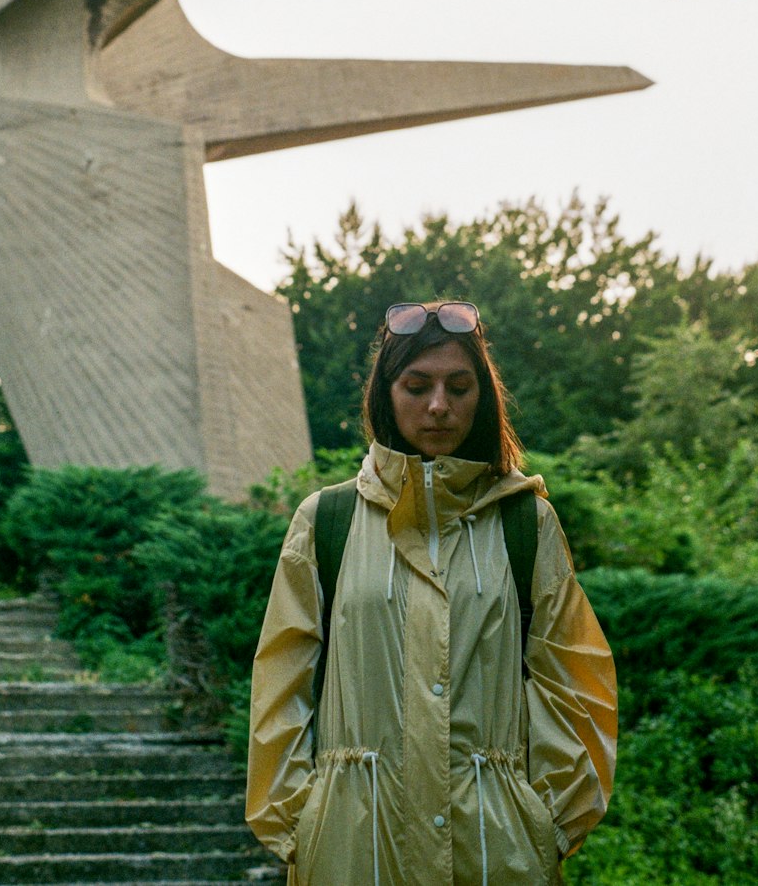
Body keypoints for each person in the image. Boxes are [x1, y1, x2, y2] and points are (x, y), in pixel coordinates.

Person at [246, 300, 617, 886]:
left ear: (483, 396)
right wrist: (301, 822)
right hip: (351, 848)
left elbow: (575, 682)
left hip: (498, 853)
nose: (439, 405)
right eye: (417, 385)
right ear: (385, 393)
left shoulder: (525, 523)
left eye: (458, 386)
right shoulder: (326, 522)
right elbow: (282, 682)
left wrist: (547, 822)